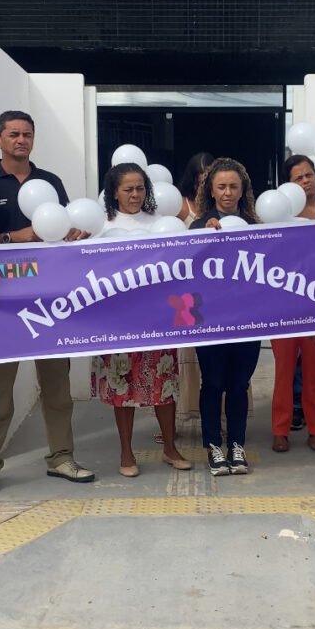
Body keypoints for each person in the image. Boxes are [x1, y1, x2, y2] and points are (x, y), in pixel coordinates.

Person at [0, 110, 95, 495]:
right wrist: (14, 237)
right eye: (13, 134)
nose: (21, 140)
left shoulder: (50, 182)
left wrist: (73, 234)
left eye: (27, 134)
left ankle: (62, 457)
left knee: (57, 386)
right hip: (0, 302)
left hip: (50, 299)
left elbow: (62, 228)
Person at [91, 163, 191, 476]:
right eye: (128, 189)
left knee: (164, 383)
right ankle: (126, 453)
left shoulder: (162, 222)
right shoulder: (100, 225)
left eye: (140, 188)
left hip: (158, 319)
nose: (135, 195)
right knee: (121, 384)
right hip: (117, 321)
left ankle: (170, 448)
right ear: (114, 192)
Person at [191, 157, 262, 476]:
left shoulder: (257, 226)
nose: (228, 192)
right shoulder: (198, 226)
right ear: (211, 190)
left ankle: (236, 445)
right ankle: (213, 446)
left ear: (243, 189)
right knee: (213, 382)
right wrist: (203, 239)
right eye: (221, 186)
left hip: (248, 317)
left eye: (234, 186)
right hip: (210, 319)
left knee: (238, 383)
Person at [270, 155, 315, 454]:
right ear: (288, 184)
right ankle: (280, 430)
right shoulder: (278, 213)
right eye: (298, 178)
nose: (306, 181)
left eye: (309, 175)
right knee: (284, 370)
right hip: (283, 303)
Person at [176, 151, 214, 424]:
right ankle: (184, 415)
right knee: (188, 355)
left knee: (218, 358)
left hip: (218, 290)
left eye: (208, 180)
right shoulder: (181, 206)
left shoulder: (222, 204)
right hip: (188, 290)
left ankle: (220, 419)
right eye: (200, 180)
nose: (203, 185)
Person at [178, 151, 214, 226]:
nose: (203, 189)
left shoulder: (219, 205)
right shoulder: (181, 207)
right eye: (200, 184)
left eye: (206, 185)